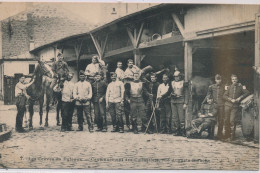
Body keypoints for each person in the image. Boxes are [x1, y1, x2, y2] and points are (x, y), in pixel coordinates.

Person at [223, 74, 249, 141]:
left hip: (235, 106)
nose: (234, 81)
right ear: (231, 80)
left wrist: (239, 98)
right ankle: (226, 135)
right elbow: (224, 96)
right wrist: (230, 99)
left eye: (235, 79)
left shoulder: (240, 87)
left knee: (232, 120)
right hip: (227, 105)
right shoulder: (229, 87)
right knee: (226, 120)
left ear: (237, 80)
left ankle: (232, 136)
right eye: (233, 79)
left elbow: (247, 92)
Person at [206, 74, 225, 139]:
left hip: (221, 106)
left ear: (221, 80)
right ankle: (210, 133)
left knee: (221, 120)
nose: (218, 81)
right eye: (217, 79)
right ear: (215, 80)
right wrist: (208, 99)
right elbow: (208, 94)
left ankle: (219, 134)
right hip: (214, 105)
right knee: (212, 119)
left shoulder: (224, 87)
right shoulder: (211, 87)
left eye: (219, 79)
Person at [170, 71, 188, 136]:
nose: (176, 78)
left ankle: (182, 131)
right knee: (175, 117)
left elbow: (186, 93)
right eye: (175, 76)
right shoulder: (172, 83)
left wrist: (185, 103)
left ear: (180, 76)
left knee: (181, 117)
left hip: (181, 100)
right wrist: (172, 94)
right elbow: (170, 91)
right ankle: (176, 130)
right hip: (173, 101)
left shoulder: (183, 83)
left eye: (177, 76)